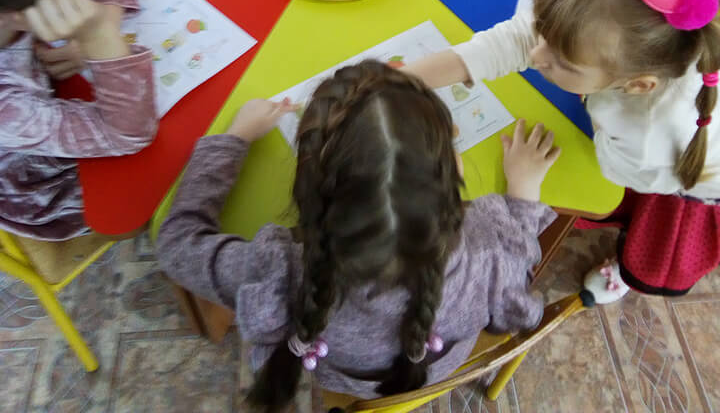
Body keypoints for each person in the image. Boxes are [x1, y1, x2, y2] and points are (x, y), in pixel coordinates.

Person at [156, 60, 560, 407]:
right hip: (444, 366)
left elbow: (176, 245)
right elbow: (514, 301)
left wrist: (234, 139)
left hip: (347, 382)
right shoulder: (489, 250)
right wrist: (523, 192)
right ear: (453, 169)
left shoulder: (277, 273)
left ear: (309, 190)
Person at [404, 0, 720, 303]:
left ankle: (627, 267)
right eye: (545, 37)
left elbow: (614, 173)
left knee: (655, 228)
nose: (536, 57)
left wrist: (589, 125)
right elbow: (518, 40)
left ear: (636, 85)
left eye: (562, 62)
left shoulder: (643, 140)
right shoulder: (610, 20)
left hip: (679, 173)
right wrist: (408, 78)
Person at [0, 0, 158, 239]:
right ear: (14, 12)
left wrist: (109, 18)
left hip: (56, 97)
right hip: (44, 186)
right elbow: (129, 134)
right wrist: (97, 35)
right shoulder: (7, 106)